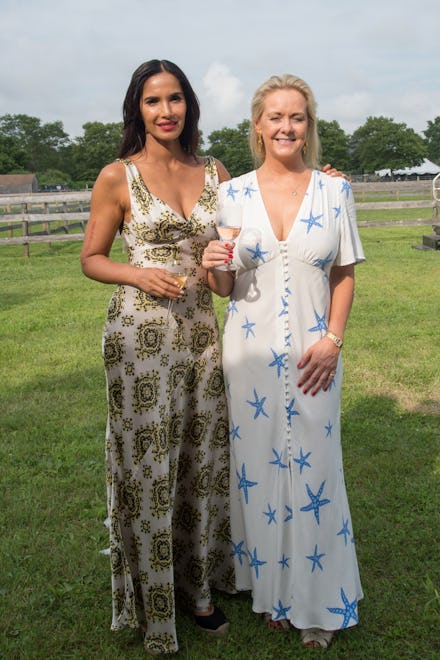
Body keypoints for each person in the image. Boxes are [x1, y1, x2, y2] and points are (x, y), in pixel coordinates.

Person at [202, 74, 365, 649]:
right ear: (258, 126)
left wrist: (333, 340)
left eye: (296, 117)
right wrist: (209, 260)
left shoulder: (333, 191)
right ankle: (274, 591)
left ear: (308, 125)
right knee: (261, 475)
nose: (286, 127)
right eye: (275, 117)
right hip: (247, 355)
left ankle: (319, 602)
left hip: (314, 355)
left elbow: (344, 273)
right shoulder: (232, 194)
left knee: (317, 468)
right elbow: (224, 285)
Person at [80, 59, 235, 656]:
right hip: (138, 341)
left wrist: (324, 181)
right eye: (152, 101)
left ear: (189, 105)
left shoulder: (216, 171)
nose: (165, 111)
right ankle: (152, 597)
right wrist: (138, 273)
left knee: (202, 456)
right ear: (136, 109)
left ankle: (198, 589)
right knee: (148, 464)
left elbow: (237, 240)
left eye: (175, 99)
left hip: (200, 334)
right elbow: (92, 257)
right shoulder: (117, 176)